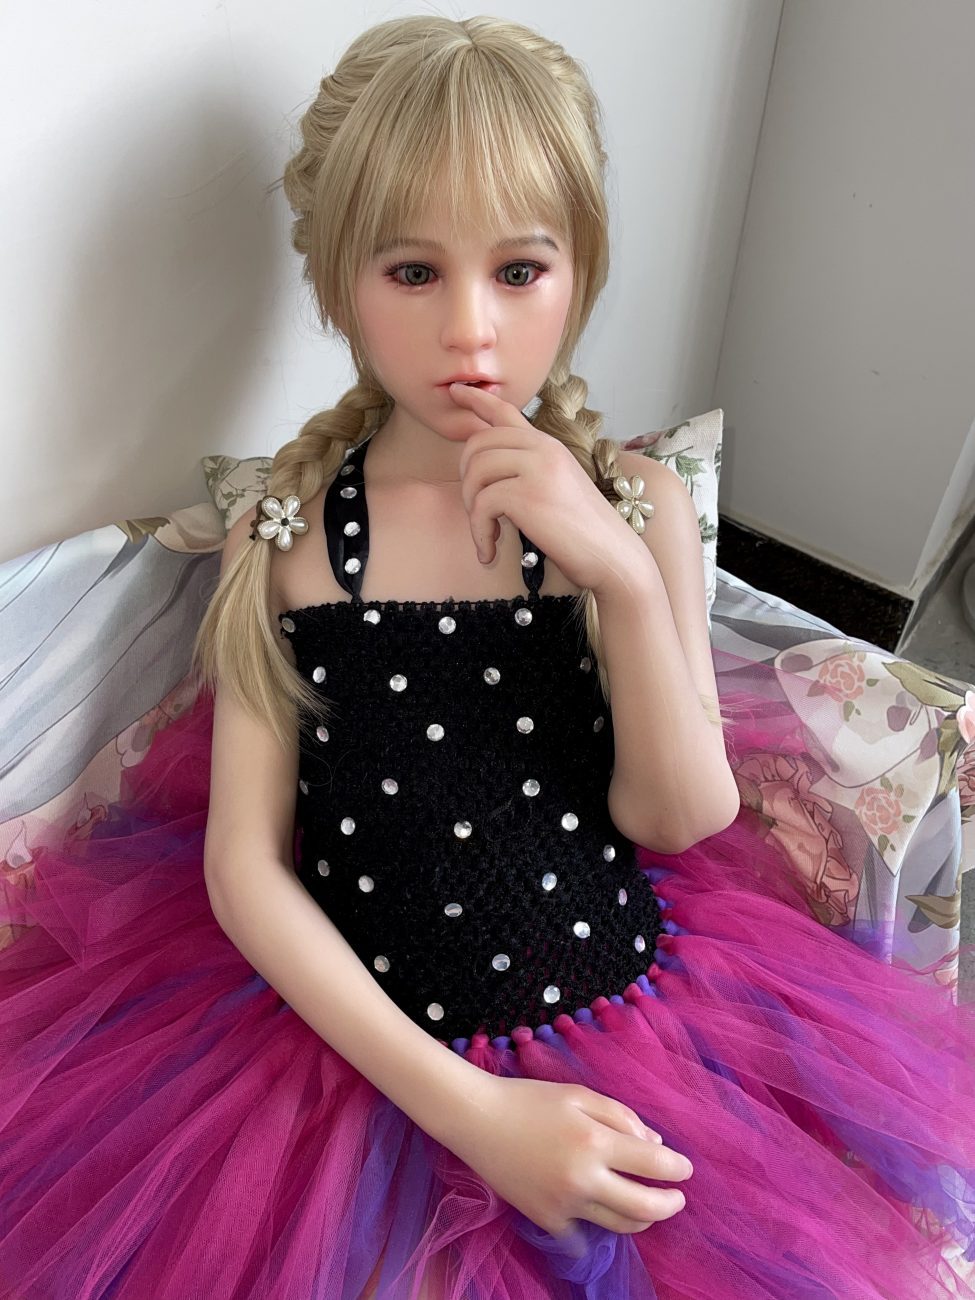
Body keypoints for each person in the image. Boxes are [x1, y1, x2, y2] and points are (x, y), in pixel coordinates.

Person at [2, 14, 975, 1299]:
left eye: (519, 270)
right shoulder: (289, 533)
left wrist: (620, 575)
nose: (471, 330)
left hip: (632, 1019)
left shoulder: (633, 508)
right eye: (413, 272)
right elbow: (245, 867)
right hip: (351, 1057)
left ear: (580, 272)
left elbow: (680, 815)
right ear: (339, 282)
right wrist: (471, 1112)